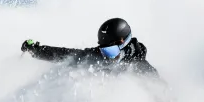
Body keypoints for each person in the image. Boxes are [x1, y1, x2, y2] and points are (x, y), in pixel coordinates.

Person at [20, 17, 160, 77]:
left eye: (110, 51)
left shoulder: (140, 67)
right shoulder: (98, 57)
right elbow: (65, 54)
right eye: (104, 51)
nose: (108, 57)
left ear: (124, 43)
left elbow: (160, 90)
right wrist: (36, 51)